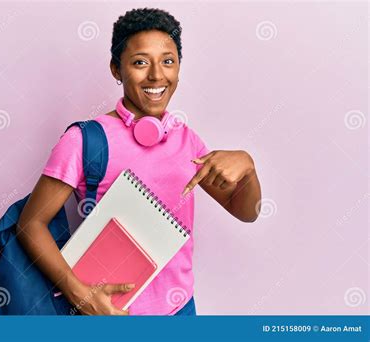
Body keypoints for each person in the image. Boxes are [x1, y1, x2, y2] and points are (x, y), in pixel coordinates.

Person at [17, 7, 262, 316]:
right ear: (116, 69)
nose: (157, 75)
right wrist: (82, 296)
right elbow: (30, 225)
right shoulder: (84, 140)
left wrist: (248, 166)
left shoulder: (188, 140)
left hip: (181, 311)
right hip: (110, 316)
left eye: (168, 62)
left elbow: (247, 212)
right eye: (140, 62)